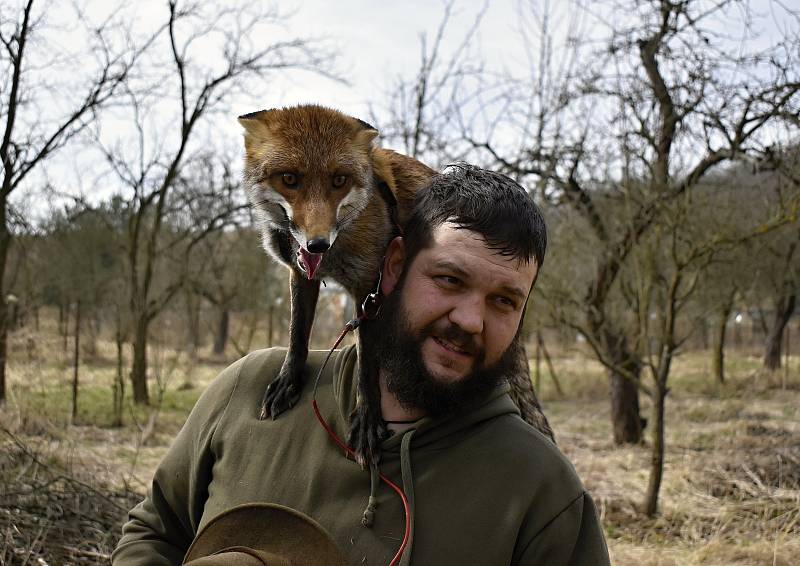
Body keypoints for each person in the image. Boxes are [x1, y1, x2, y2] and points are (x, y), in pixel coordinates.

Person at [112, 165, 610, 565]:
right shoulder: (249, 393)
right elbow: (157, 529)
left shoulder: (541, 491)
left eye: (504, 301)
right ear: (393, 266)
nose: (471, 320)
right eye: (450, 280)